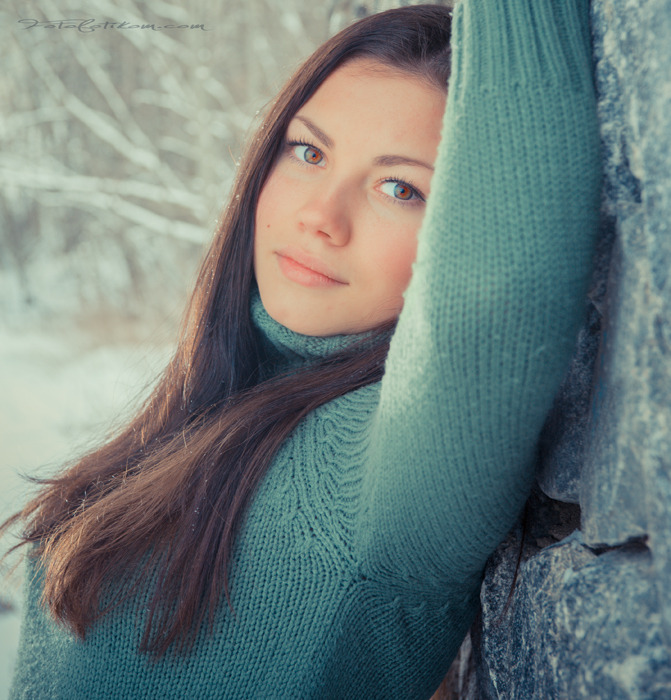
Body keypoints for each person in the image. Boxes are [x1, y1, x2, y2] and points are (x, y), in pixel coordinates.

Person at [4, 0, 602, 697]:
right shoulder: (202, 410)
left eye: (398, 187)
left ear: (451, 235)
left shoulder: (393, 479)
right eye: (308, 151)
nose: (319, 216)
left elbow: (500, 297)